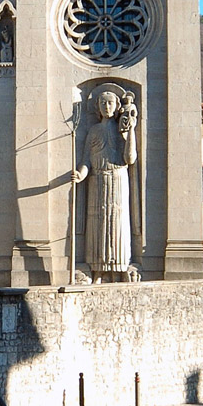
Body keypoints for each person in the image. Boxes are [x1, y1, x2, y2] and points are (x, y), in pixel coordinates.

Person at [71, 89, 137, 283]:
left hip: (117, 179)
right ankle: (98, 270)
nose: (106, 107)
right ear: (97, 107)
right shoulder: (93, 131)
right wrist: (81, 174)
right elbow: (85, 160)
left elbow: (130, 158)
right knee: (97, 224)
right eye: (103, 103)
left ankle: (119, 267)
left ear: (117, 106)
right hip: (97, 181)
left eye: (110, 103)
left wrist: (131, 129)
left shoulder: (121, 130)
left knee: (118, 222)